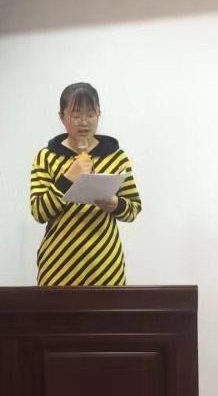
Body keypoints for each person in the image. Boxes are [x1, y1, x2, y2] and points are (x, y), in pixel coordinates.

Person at [30, 82, 142, 286]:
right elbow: (39, 212)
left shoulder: (116, 157)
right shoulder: (46, 156)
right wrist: (68, 178)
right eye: (75, 115)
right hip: (58, 268)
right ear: (61, 116)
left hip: (106, 267)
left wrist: (115, 204)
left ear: (99, 114)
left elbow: (133, 209)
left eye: (90, 114)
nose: (84, 122)